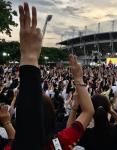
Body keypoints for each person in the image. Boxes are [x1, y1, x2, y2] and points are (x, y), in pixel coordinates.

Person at [1, 3, 95, 149]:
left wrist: (7, 124)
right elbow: (89, 111)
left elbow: (21, 137)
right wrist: (78, 78)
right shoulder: (61, 142)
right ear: (52, 117)